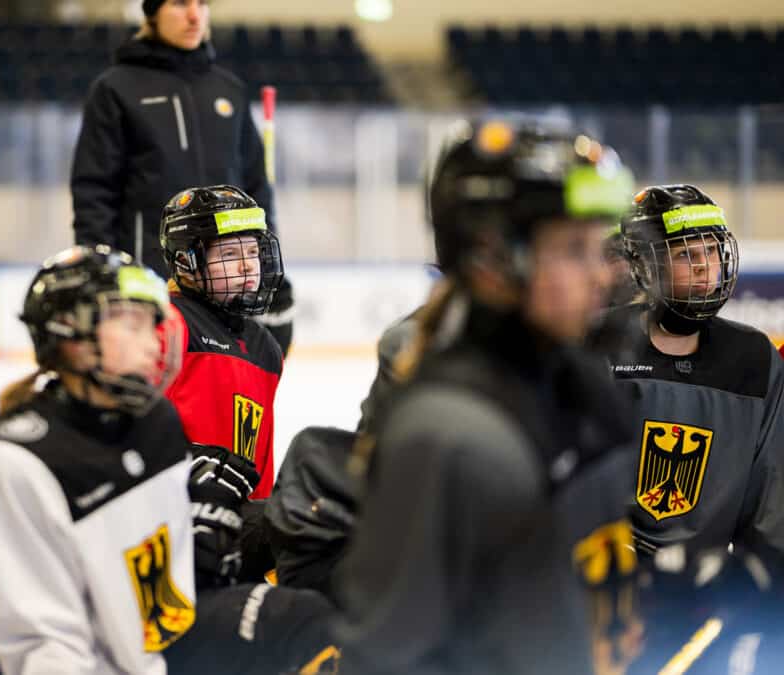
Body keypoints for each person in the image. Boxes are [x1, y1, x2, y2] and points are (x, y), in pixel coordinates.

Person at [335, 120, 639, 674]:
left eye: (601, 248)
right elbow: (385, 657)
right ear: (491, 258)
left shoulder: (581, 388)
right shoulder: (444, 436)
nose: (600, 275)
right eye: (574, 250)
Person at [0, 246, 337, 675]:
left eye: (152, 324)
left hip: (145, 639)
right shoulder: (17, 455)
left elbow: (155, 587)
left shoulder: (155, 422)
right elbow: (47, 643)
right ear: (70, 331)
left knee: (302, 617)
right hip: (69, 659)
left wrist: (197, 527)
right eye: (130, 323)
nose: (151, 343)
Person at [602, 184, 784, 671]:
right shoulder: (599, 347)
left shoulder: (755, 361)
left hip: (705, 607)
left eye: (711, 251)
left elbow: (771, 505)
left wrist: (753, 585)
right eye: (686, 254)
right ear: (645, 263)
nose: (705, 267)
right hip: (604, 603)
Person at [70, 0, 293, 355]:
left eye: (202, 3)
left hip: (224, 278)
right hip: (150, 278)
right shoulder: (115, 88)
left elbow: (255, 187)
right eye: (179, 3)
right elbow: (94, 191)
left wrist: (265, 263)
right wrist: (101, 270)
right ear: (151, 13)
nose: (194, 15)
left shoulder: (228, 89)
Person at [159, 184, 284, 499]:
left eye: (253, 251)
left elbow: (261, 454)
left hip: (237, 525)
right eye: (229, 254)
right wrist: (182, 462)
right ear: (186, 260)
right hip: (176, 510)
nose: (247, 266)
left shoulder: (264, 347)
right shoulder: (167, 323)